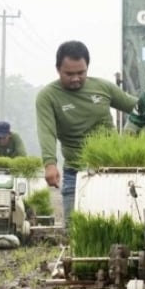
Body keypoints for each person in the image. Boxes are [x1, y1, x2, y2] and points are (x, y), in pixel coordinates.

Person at [36, 40, 137, 225]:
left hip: (112, 170)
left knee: (118, 224)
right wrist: (50, 163)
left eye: (80, 73)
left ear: (87, 68)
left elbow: (137, 108)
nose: (75, 78)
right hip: (75, 172)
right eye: (69, 73)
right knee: (74, 230)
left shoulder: (103, 88)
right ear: (58, 69)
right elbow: (46, 131)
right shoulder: (48, 96)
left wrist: (131, 132)